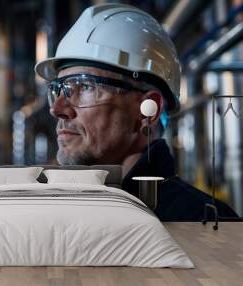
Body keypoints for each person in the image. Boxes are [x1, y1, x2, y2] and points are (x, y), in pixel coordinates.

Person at [35, 3, 238, 221]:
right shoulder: (68, 214)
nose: (57, 109)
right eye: (59, 89)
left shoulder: (204, 223)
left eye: (85, 87)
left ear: (147, 112)